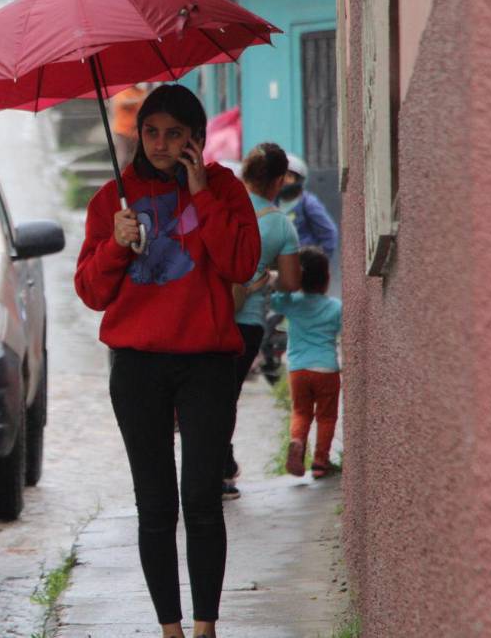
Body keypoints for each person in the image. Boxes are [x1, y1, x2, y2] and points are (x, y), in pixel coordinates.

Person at [75, 84, 261, 638]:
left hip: (206, 362)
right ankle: (170, 629)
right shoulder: (113, 198)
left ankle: (205, 626)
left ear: (195, 138)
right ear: (137, 135)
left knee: (202, 496)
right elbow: (90, 292)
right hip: (137, 367)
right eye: (151, 132)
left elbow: (242, 263)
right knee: (155, 503)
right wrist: (114, 244)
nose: (160, 143)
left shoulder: (225, 188)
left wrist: (201, 195)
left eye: (174, 133)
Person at [223, 143, 301, 500]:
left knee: (205, 394)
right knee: (227, 397)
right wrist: (263, 279)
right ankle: (220, 470)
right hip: (247, 322)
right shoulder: (280, 226)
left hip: (208, 315)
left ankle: (218, 465)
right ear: (278, 181)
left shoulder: (222, 209)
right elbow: (289, 282)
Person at [272, 247, 342, 479]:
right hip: (326, 369)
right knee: (326, 416)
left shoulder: (293, 304)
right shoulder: (335, 307)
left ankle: (297, 441)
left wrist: (286, 282)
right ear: (326, 279)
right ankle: (321, 462)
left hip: (298, 369)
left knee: (301, 412)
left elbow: (276, 299)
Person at [277, 155, 338, 259]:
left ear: (298, 180)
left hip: (302, 266)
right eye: (281, 175)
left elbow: (329, 234)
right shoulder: (272, 202)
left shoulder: (308, 203)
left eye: (289, 176)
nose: (284, 180)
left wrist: (318, 264)